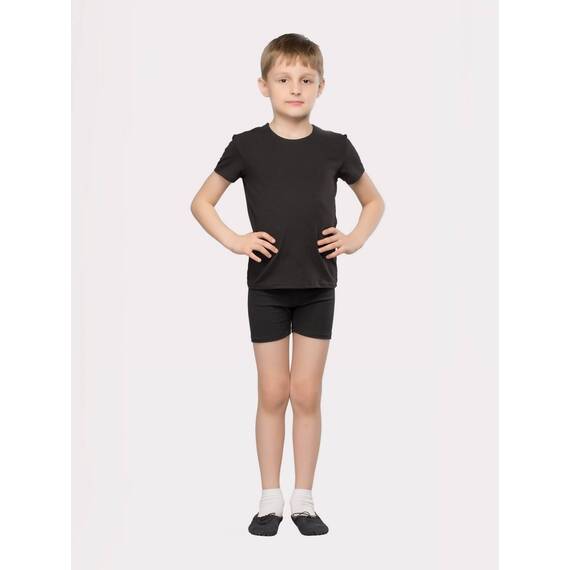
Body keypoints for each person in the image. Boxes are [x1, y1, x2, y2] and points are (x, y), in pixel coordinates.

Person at [191, 33, 385, 536]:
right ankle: (268, 499)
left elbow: (373, 201)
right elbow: (202, 202)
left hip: (318, 286)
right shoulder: (246, 146)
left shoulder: (335, 146)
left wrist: (355, 239)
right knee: (273, 391)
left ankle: (304, 499)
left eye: (305, 79)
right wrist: (236, 240)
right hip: (268, 288)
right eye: (283, 79)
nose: (295, 88)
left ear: (321, 85)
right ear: (264, 85)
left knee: (307, 392)